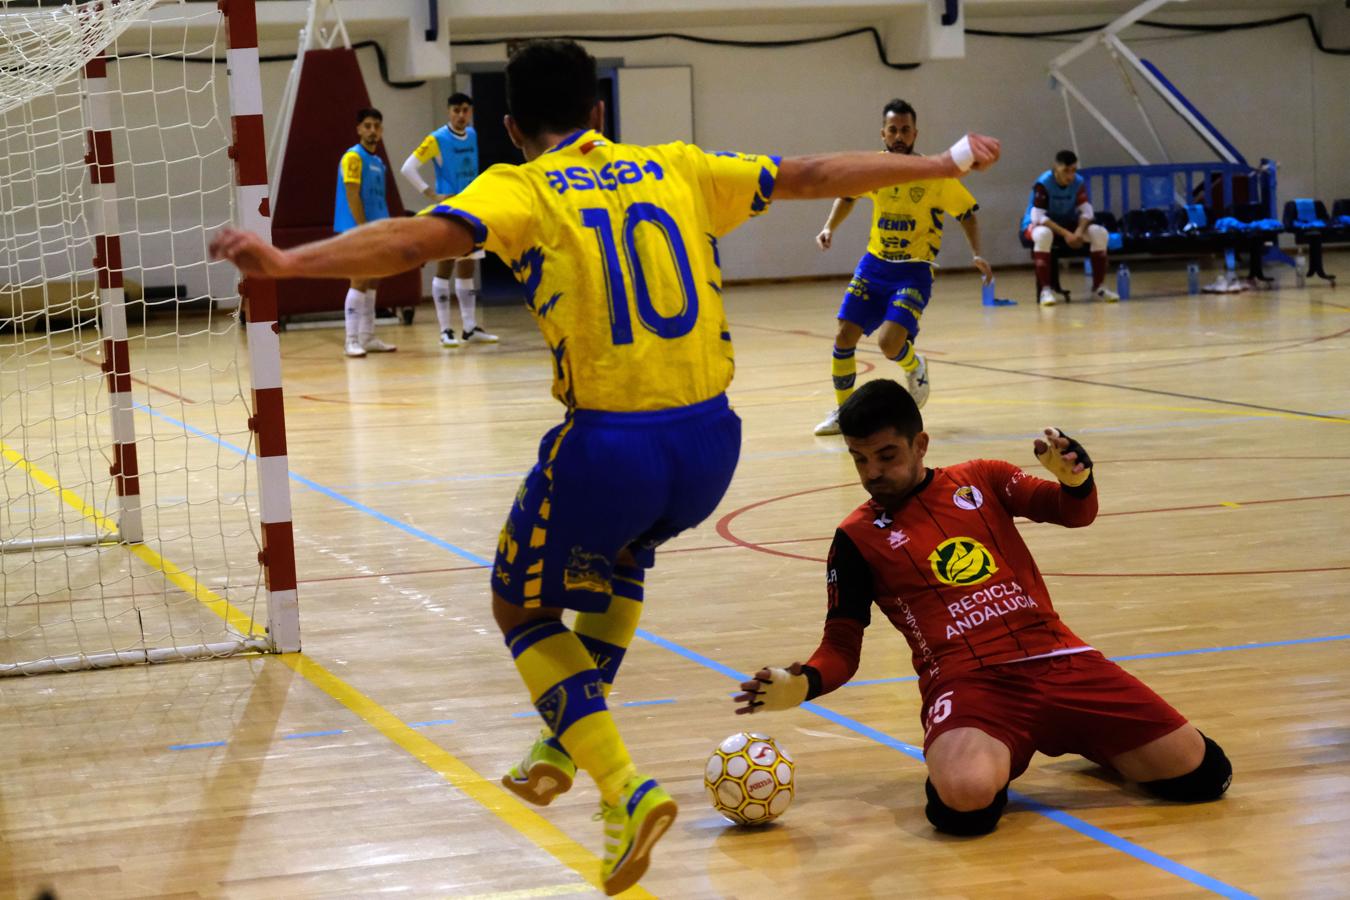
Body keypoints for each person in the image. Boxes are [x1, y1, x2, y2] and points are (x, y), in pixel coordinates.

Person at [211, 40, 1000, 894]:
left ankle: (623, 788)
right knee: (624, 556)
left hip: (612, 443)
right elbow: (812, 171)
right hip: (713, 446)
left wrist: (289, 265)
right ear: (598, 115)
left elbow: (410, 240)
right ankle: (560, 743)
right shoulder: (675, 167)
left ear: (512, 129)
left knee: (518, 604)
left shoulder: (520, 184)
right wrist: (943, 160)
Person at [733, 379, 1231, 837]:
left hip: (1059, 658)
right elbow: (841, 647)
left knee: (1204, 774)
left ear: (920, 444)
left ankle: (1090, 739)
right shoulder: (855, 539)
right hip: (968, 683)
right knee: (964, 804)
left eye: (886, 455)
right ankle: (980, 756)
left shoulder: (982, 478)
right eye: (860, 459)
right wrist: (804, 682)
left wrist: (1077, 482)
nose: (872, 473)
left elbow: (1074, 513)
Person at [812, 99, 993, 437]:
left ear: (915, 134)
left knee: (889, 344)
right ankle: (844, 414)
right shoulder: (871, 169)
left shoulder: (935, 173)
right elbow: (848, 195)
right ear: (883, 133)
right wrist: (828, 228)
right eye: (892, 129)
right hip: (874, 264)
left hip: (913, 269)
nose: (899, 135)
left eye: (905, 129)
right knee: (842, 336)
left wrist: (977, 253)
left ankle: (914, 365)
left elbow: (967, 213)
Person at [401, 92, 499, 347]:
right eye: (456, 110)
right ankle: (445, 330)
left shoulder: (473, 135)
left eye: (465, 110)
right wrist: (432, 194)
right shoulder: (437, 138)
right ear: (448, 111)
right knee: (445, 266)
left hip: (472, 208)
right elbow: (408, 168)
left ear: (471, 112)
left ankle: (469, 327)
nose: (461, 115)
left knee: (467, 266)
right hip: (449, 210)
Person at [333, 107, 397, 357]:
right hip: (357, 229)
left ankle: (367, 336)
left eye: (376, 126)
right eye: (367, 126)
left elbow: (379, 199)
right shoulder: (353, 158)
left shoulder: (379, 162)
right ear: (359, 129)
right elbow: (352, 194)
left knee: (373, 281)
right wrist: (363, 228)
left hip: (378, 228)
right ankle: (351, 339)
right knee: (358, 280)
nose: (372, 131)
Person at [1020, 149, 1118, 307]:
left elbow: (1087, 211)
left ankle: (1098, 287)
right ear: (1055, 168)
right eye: (1066, 171)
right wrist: (1067, 234)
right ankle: (1045, 290)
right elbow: (1038, 217)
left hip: (1067, 224)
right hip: (1037, 225)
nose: (1070, 176)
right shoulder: (1043, 183)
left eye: (1073, 171)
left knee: (1099, 233)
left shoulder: (1078, 182)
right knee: (1044, 235)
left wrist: (1078, 232)